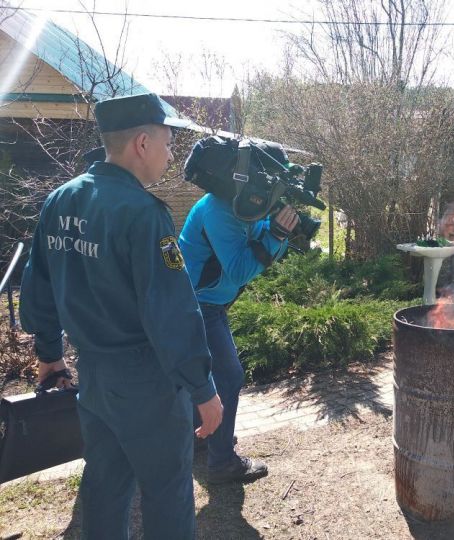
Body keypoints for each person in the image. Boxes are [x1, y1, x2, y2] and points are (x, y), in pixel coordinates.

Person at [19, 93, 224, 539]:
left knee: (106, 487)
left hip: (93, 377)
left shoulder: (60, 200)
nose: (172, 155)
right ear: (142, 143)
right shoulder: (144, 214)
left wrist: (50, 353)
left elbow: (38, 287)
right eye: (169, 143)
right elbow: (170, 311)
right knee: (168, 494)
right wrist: (203, 388)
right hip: (146, 381)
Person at [179, 142, 299, 484]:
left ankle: (202, 436)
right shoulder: (220, 210)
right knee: (229, 378)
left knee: (204, 376)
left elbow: (263, 242)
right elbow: (240, 270)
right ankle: (221, 463)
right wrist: (276, 235)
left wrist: (282, 232)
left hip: (207, 304)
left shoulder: (241, 206)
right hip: (199, 306)